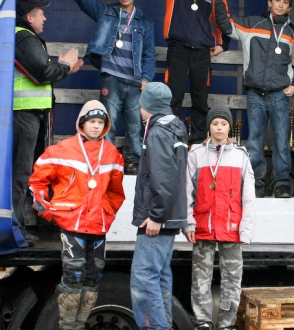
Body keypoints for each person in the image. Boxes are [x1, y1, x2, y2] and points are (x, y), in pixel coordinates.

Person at [28, 100, 125, 330]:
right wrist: (47, 211)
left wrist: (108, 214)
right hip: (72, 225)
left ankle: (80, 325)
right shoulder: (61, 149)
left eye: (100, 122)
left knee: (93, 277)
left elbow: (116, 192)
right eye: (92, 121)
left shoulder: (112, 153)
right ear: (81, 123)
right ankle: (67, 326)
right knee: (73, 276)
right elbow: (36, 183)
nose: (96, 126)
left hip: (98, 226)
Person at [213, 0, 294, 198]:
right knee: (255, 140)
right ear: (269, 3)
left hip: (280, 94)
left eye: (285, 2)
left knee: (281, 142)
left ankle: (282, 184)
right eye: (277, 1)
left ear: (289, 7)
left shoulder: (293, 33)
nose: (280, 5)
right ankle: (256, 182)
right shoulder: (252, 24)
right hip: (255, 93)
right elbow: (226, 24)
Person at [63, 0, 156, 175]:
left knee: (134, 125)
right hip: (111, 78)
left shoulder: (145, 23)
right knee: (109, 122)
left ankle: (133, 163)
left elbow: (149, 54)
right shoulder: (106, 13)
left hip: (135, 81)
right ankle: (109, 162)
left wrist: (146, 78)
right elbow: (84, 1)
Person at [150, 0, 230, 145]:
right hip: (178, 47)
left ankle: (198, 141)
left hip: (202, 51)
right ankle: (172, 138)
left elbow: (222, 16)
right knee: (173, 96)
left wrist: (223, 43)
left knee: (200, 99)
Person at [14, 0, 83, 247]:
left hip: (28, 114)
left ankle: (16, 228)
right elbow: (43, 73)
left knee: (23, 173)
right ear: (29, 17)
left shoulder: (25, 38)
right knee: (19, 175)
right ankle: (13, 232)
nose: (45, 17)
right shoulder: (24, 37)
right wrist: (64, 64)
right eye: (41, 13)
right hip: (23, 114)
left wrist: (63, 68)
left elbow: (42, 71)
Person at [184, 106, 256, 330]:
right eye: (215, 123)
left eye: (224, 124)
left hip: (231, 227)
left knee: (232, 278)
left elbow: (249, 196)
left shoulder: (240, 156)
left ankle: (227, 323)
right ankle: (202, 321)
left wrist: (246, 229)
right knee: (200, 277)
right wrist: (188, 223)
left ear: (229, 127)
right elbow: (187, 191)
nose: (219, 128)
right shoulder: (196, 154)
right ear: (209, 126)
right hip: (203, 226)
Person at [130, 82, 188, 330]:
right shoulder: (174, 129)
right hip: (168, 217)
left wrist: (155, 216)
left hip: (156, 219)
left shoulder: (157, 133)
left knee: (143, 281)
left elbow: (163, 179)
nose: (139, 108)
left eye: (142, 104)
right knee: (160, 277)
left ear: (149, 106)